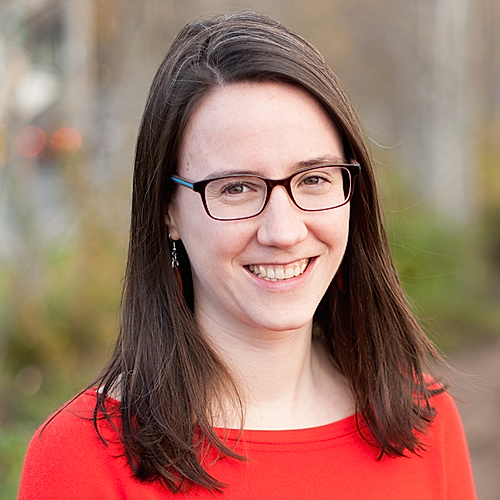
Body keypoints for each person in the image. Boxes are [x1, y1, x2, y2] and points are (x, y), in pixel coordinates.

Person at [19, 11, 476, 499]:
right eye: (235, 187)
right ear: (167, 210)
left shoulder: (424, 422)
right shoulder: (80, 458)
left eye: (314, 178)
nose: (283, 231)